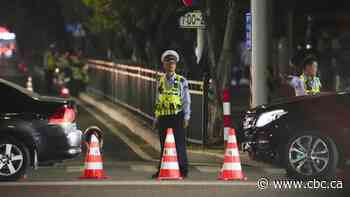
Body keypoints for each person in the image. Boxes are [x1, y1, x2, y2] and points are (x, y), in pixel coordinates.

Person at [152, 50, 191, 178]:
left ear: (175, 65)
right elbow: (158, 100)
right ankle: (162, 169)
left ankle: (183, 169)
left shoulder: (182, 81)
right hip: (163, 117)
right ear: (164, 64)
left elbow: (186, 101)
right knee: (164, 145)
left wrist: (186, 117)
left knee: (179, 144)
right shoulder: (160, 81)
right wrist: (156, 117)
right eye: (168, 63)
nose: (170, 65)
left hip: (177, 117)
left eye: (173, 63)